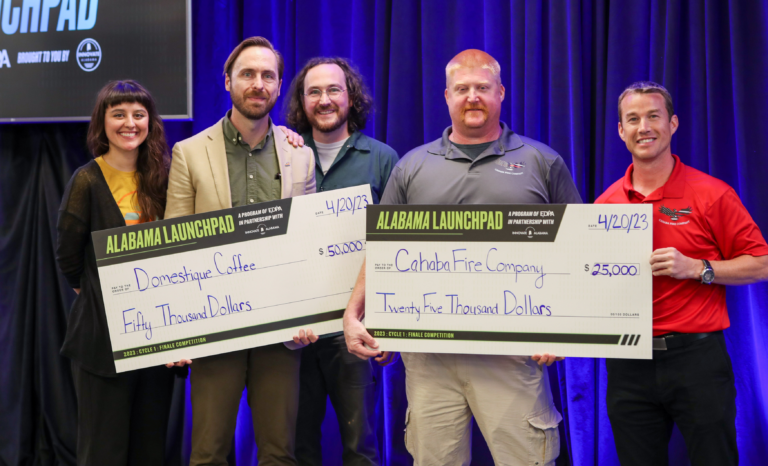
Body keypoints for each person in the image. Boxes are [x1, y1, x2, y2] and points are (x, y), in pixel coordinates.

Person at [343, 49, 582, 466]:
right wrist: (355, 311)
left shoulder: (541, 162)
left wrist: (565, 328)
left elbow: (579, 251)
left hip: (512, 354)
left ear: (501, 93)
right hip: (431, 357)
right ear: (447, 96)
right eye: (462, 89)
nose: (473, 97)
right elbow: (382, 247)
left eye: (483, 88)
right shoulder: (413, 166)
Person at [596, 81, 768, 466]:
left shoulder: (712, 194)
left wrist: (698, 268)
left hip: (696, 360)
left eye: (654, 116)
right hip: (628, 364)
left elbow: (761, 262)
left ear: (672, 124)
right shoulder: (605, 205)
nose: (644, 127)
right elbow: (591, 285)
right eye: (633, 119)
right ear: (621, 131)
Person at [164, 36, 315, 466]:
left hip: (281, 329)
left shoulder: (298, 156)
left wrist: (309, 312)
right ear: (228, 81)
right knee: (209, 451)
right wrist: (179, 329)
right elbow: (177, 245)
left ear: (280, 85)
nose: (258, 83)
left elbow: (309, 243)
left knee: (278, 453)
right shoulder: (190, 152)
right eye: (247, 74)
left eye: (268, 75)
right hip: (215, 326)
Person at [284, 56, 399, 465]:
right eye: (313, 91)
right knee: (298, 445)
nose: (324, 99)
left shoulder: (383, 159)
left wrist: (388, 324)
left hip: (355, 328)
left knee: (361, 445)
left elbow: (395, 245)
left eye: (334, 89)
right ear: (302, 100)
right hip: (295, 330)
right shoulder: (284, 155)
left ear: (351, 97)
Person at [56, 80, 175, 465]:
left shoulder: (165, 177)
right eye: (118, 114)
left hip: (156, 341)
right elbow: (68, 258)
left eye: (138, 115)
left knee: (149, 449)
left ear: (150, 122)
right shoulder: (87, 180)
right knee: (102, 451)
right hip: (101, 345)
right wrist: (98, 296)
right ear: (102, 122)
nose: (129, 123)